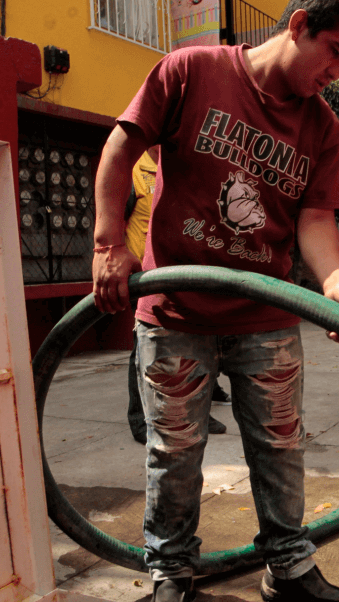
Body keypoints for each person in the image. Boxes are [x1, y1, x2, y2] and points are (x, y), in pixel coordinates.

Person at [90, 0, 339, 598]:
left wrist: (335, 281)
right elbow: (120, 148)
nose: (336, 71)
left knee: (280, 448)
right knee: (174, 454)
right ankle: (171, 572)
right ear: (299, 24)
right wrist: (107, 242)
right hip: (174, 311)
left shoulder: (322, 126)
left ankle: (290, 568)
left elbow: (316, 218)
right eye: (333, 52)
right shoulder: (190, 70)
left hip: (265, 317)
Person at [123, 149, 227, 443]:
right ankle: (141, 420)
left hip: (182, 272)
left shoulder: (180, 166)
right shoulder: (135, 170)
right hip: (144, 277)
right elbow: (118, 220)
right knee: (145, 348)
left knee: (195, 345)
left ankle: (198, 413)